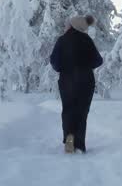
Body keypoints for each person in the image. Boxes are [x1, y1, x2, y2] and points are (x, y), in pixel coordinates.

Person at [48, 14, 103, 154]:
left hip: (67, 81)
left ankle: (69, 139)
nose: (66, 26)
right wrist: (86, 65)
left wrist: (64, 67)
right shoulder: (87, 40)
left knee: (68, 110)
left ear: (73, 26)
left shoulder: (62, 40)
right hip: (86, 81)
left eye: (68, 24)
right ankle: (80, 144)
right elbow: (98, 61)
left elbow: (54, 62)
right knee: (82, 112)